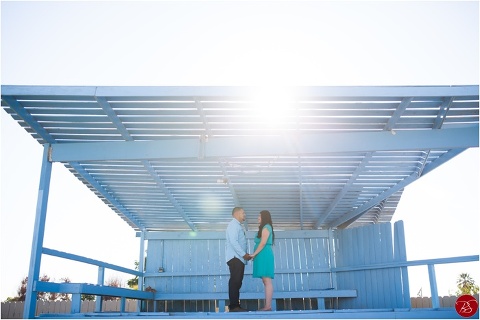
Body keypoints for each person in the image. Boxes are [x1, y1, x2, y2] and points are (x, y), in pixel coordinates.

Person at [225, 207, 252, 312]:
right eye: (243, 213)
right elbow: (233, 242)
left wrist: (244, 255)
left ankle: (235, 305)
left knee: (237, 282)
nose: (244, 214)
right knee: (235, 282)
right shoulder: (233, 225)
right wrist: (243, 254)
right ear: (236, 214)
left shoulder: (236, 225)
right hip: (236, 257)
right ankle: (234, 306)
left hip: (238, 258)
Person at [250, 210, 275, 311]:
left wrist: (254, 254)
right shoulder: (263, 228)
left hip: (264, 254)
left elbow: (263, 242)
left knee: (267, 280)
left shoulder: (267, 227)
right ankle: (267, 306)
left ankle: (268, 306)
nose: (258, 218)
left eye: (259, 216)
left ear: (264, 217)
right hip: (262, 254)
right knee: (265, 280)